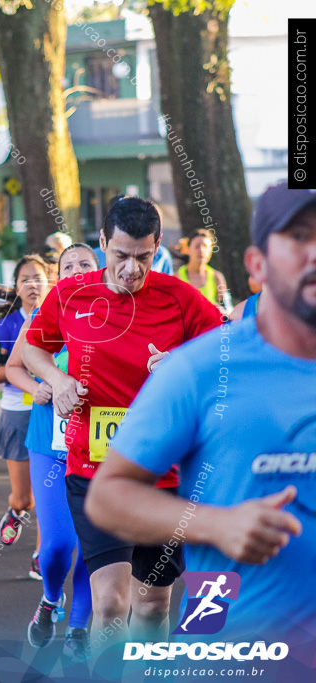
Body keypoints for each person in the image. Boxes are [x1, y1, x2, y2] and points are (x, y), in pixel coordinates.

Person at [86, 181, 315, 651]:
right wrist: (216, 525)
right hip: (249, 646)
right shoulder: (202, 368)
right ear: (257, 265)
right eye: (299, 237)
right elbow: (108, 497)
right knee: (143, 606)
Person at [23, 196, 223, 645]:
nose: (132, 268)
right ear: (102, 244)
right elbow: (33, 348)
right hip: (93, 469)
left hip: (163, 477)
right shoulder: (71, 294)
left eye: (144, 257)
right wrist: (58, 380)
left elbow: (225, 351)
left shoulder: (178, 297)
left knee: (153, 606)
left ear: (158, 248)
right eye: (121, 256)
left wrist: (179, 363)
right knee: (110, 602)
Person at [5, 244, 97, 659]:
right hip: (50, 445)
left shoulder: (118, 314)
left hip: (100, 448)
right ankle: (49, 599)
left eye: (86, 264)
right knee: (58, 543)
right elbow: (13, 367)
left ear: (101, 269)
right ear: (59, 275)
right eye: (69, 266)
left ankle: (79, 628)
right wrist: (37, 387)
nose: (78, 270)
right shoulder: (47, 315)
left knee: (92, 545)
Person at [0, 254, 50, 563]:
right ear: (17, 287)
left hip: (49, 412)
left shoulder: (58, 317)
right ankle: (15, 510)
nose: (33, 285)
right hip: (17, 412)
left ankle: (41, 554)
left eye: (38, 277)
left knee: (47, 494)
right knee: (25, 497)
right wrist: (23, 372)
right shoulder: (7, 324)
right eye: (25, 279)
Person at [176, 228, 232, 313]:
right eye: (197, 246)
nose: (201, 250)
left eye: (205, 246)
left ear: (211, 250)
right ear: (188, 249)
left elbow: (228, 309)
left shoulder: (217, 277)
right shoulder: (177, 277)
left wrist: (220, 311)